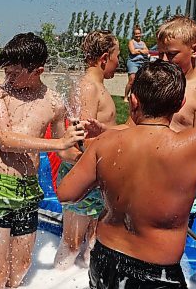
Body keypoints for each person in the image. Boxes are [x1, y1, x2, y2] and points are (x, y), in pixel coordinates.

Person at [57, 60, 196, 289]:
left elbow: (66, 192)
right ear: (181, 103)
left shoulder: (105, 142)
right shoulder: (195, 145)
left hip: (104, 259)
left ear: (133, 100)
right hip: (154, 273)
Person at [0, 32, 86, 289]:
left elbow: (64, 152)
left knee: (22, 266)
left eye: (15, 73)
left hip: (28, 189)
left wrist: (85, 147)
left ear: (38, 70)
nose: (8, 78)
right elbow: (4, 139)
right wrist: (58, 143)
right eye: (7, 71)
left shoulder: (54, 102)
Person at [54, 30, 120, 270]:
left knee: (92, 243)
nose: (118, 62)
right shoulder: (89, 88)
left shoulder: (96, 86)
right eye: (116, 56)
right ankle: (54, 282)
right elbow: (82, 139)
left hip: (94, 175)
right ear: (104, 58)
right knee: (71, 243)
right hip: (83, 173)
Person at [156, 15, 196, 228]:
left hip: (180, 192)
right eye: (161, 54)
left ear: (194, 50)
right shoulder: (160, 83)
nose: (164, 60)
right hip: (149, 180)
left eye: (171, 54)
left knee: (170, 253)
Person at [124, 26, 148, 102]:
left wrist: (138, 50)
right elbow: (132, 52)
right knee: (132, 80)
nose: (137, 35)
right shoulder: (131, 42)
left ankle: (133, 96)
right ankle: (125, 97)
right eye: (136, 34)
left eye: (139, 33)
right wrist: (142, 50)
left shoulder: (143, 43)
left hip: (142, 62)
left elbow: (147, 52)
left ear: (141, 34)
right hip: (133, 62)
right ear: (134, 35)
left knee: (139, 81)